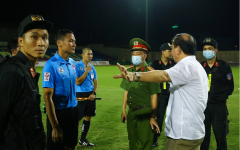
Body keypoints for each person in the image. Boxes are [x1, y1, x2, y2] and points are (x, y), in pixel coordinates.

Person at [114, 33, 208, 150]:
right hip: (194, 132)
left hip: (182, 136)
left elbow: (163, 75)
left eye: (172, 48)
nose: (172, 52)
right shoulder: (196, 66)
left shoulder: (186, 66)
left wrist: (133, 76)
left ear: (178, 49)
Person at [0, 14, 52, 150]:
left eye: (45, 37)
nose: (41, 43)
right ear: (21, 42)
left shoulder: (26, 69)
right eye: (34, 37)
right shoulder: (12, 72)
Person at [119, 38, 161, 150]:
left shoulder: (150, 73)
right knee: (132, 143)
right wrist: (123, 110)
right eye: (133, 53)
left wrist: (153, 116)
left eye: (138, 53)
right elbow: (126, 91)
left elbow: (154, 96)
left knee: (145, 144)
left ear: (145, 56)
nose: (135, 56)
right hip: (132, 113)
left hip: (145, 113)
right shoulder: (129, 72)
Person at [42, 29, 78, 150]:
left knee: (71, 145)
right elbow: (47, 97)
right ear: (59, 43)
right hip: (58, 113)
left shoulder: (73, 63)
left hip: (73, 111)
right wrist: (55, 126)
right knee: (56, 147)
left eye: (75, 41)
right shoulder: (50, 65)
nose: (74, 44)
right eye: (71, 41)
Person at [200, 38, 234, 150]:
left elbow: (230, 87)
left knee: (221, 137)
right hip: (203, 107)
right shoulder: (199, 67)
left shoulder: (224, 66)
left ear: (216, 50)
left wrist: (220, 98)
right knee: (203, 138)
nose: (207, 51)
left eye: (210, 48)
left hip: (219, 107)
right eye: (205, 49)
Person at [150, 43, 175, 148]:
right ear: (163, 52)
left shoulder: (173, 63)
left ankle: (173, 139)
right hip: (160, 96)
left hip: (172, 96)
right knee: (158, 119)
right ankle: (154, 139)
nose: (171, 52)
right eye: (169, 50)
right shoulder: (155, 63)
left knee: (173, 118)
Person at [75, 48, 98, 147]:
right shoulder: (77, 66)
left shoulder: (92, 67)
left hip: (90, 95)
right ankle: (71, 139)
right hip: (80, 95)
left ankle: (83, 139)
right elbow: (77, 81)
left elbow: (96, 82)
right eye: (88, 54)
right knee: (77, 118)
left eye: (91, 54)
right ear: (82, 55)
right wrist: (86, 72)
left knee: (88, 117)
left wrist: (94, 93)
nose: (90, 56)